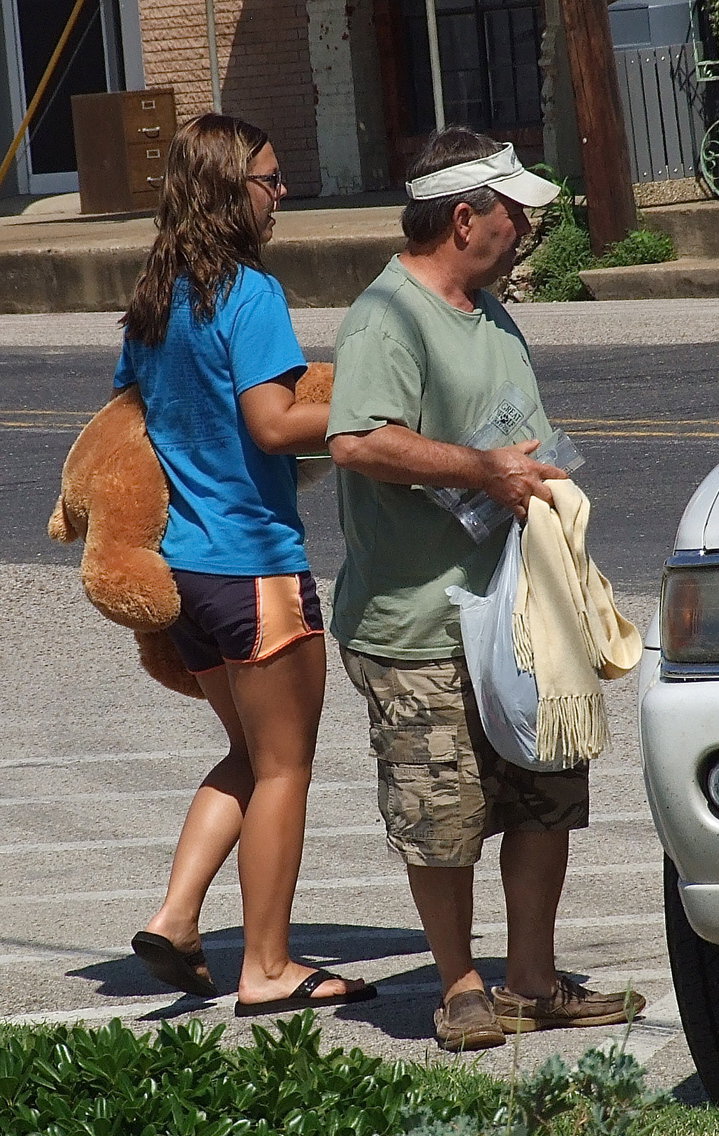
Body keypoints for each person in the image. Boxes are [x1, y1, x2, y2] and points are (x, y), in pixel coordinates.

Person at [327, 126, 645, 1050]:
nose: (524, 228)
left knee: (546, 788)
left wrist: (540, 485)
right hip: (418, 622)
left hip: (516, 610)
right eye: (512, 212)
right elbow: (357, 440)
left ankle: (532, 980)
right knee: (443, 813)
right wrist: (481, 470)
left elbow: (518, 436)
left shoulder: (490, 311)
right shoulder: (386, 317)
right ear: (463, 218)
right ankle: (461, 986)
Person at [117, 112, 375, 1017]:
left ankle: (176, 917)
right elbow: (273, 424)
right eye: (268, 179)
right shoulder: (251, 293)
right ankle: (266, 966)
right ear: (230, 191)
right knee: (284, 769)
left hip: (185, 571)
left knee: (248, 753)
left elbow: (130, 426)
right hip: (255, 565)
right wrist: (377, 406)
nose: (281, 192)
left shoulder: (154, 300)